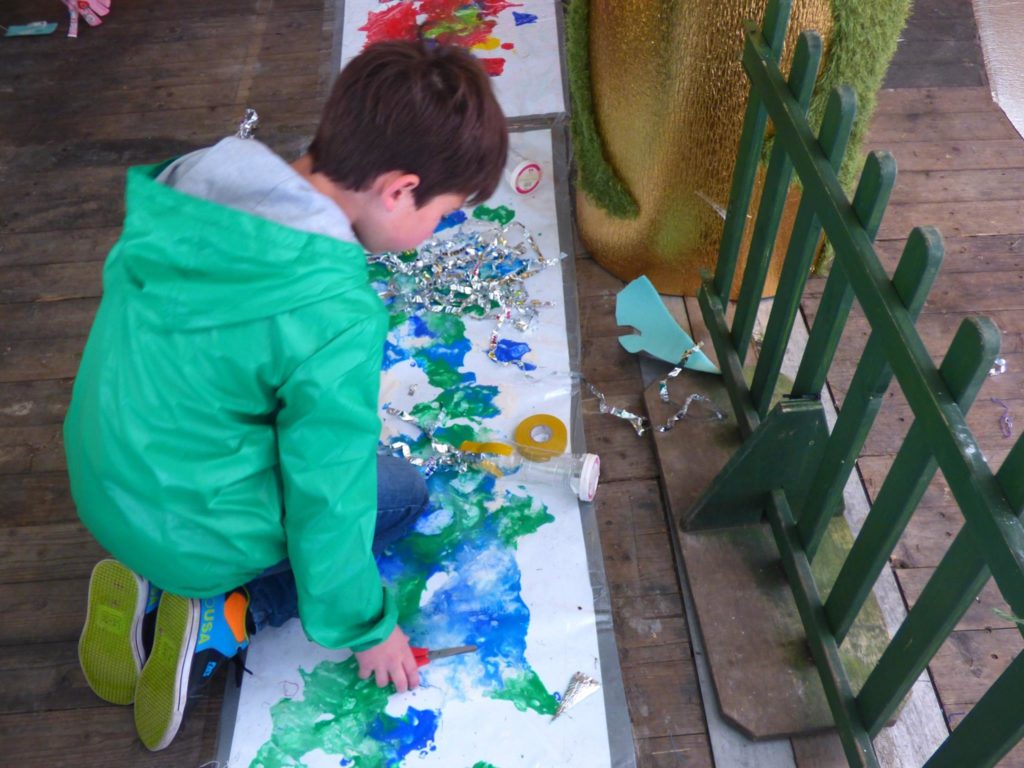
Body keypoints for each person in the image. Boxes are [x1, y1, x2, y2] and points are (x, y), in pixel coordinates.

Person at [65, 40, 508, 751]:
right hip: (189, 529)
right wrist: (369, 628)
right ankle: (227, 611)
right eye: (443, 212)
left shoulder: (196, 180)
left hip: (102, 481)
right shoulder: (333, 310)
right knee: (400, 495)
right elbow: (328, 499)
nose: (435, 232)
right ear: (399, 190)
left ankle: (148, 569)